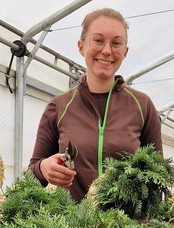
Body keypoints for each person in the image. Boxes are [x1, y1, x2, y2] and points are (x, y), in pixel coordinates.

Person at [28, 8, 163, 202]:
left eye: (116, 43)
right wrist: (43, 168)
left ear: (124, 52)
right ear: (81, 46)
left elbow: (159, 175)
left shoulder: (142, 106)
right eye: (98, 40)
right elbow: (30, 176)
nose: (107, 50)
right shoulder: (59, 106)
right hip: (71, 227)